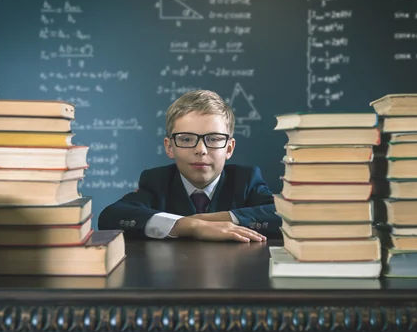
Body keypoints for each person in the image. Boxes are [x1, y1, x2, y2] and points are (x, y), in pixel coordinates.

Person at [98, 89, 282, 242]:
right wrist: (191, 225)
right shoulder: (156, 182)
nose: (201, 150)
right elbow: (110, 216)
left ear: (229, 148)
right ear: (169, 147)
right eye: (186, 139)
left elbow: (283, 214)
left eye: (214, 139)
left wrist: (215, 218)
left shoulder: (246, 180)